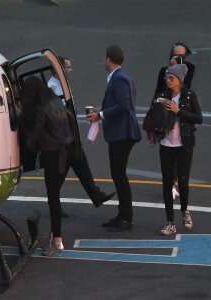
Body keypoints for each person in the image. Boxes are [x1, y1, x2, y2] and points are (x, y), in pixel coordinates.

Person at [47, 56, 115, 213]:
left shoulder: (61, 85)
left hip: (70, 136)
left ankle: (95, 195)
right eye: (68, 67)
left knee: (79, 164)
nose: (70, 70)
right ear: (59, 69)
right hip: (63, 138)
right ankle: (55, 204)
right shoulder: (52, 88)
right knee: (64, 171)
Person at [19, 76, 76, 255]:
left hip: (52, 157)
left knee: (53, 199)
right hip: (64, 153)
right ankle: (55, 237)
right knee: (55, 197)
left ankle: (56, 239)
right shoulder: (55, 103)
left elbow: (34, 136)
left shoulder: (41, 110)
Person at [87, 45, 142, 232]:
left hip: (122, 133)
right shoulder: (121, 78)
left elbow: (124, 105)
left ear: (108, 59)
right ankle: (123, 215)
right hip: (121, 133)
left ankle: (126, 217)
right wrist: (101, 111)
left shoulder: (119, 79)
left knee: (119, 175)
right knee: (118, 174)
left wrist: (100, 115)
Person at [156, 64, 202, 235]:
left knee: (183, 181)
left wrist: (178, 111)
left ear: (180, 80)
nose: (167, 81)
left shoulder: (190, 96)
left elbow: (199, 118)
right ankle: (170, 221)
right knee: (167, 183)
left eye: (171, 78)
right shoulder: (162, 96)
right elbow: (155, 117)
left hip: (184, 144)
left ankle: (184, 210)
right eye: (166, 78)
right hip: (166, 145)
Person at [154, 41, 195, 200]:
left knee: (181, 152)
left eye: (181, 56)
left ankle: (176, 181)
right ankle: (170, 184)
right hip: (166, 113)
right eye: (175, 55)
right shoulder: (164, 71)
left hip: (182, 112)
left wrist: (178, 68)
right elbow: (158, 91)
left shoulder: (189, 69)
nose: (178, 58)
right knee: (168, 151)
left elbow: (187, 85)